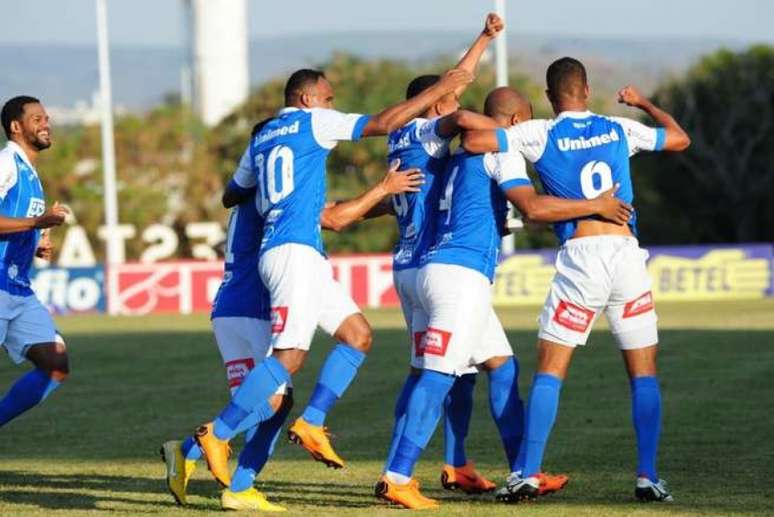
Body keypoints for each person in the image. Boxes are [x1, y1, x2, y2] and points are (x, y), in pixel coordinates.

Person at [190, 67, 471, 490]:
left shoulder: (260, 139)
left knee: (358, 334)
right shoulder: (314, 121)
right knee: (289, 359)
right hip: (292, 253)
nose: (332, 106)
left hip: (300, 253)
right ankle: (216, 434)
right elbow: (382, 123)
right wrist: (442, 89)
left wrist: (274, 189)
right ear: (307, 99)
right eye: (328, 98)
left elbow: (231, 194)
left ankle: (313, 422)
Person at [376, 86, 633, 510]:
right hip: (460, 276)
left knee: (501, 366)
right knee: (438, 374)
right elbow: (530, 206)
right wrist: (596, 206)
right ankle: (397, 475)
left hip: (437, 268)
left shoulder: (454, 158)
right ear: (514, 123)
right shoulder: (503, 151)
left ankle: (524, 472)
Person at [462, 57, 690, 503]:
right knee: (643, 372)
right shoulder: (619, 127)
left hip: (582, 256)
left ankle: (527, 472)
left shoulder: (539, 132)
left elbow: (476, 140)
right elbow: (680, 139)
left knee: (551, 369)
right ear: (586, 90)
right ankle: (647, 476)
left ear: (550, 97)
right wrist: (643, 102)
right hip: (627, 254)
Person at [161, 123, 422, 511]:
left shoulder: (255, 196)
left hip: (234, 308)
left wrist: (380, 200)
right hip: (249, 309)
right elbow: (332, 217)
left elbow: (330, 213)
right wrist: (382, 191)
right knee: (268, 402)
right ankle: (198, 450)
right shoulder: (273, 203)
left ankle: (231, 477)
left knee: (278, 401)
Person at [384, 12, 504, 496]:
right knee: (435, 374)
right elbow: (458, 104)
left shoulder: (397, 136)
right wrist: (508, 130)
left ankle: (454, 463)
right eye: (446, 100)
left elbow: (455, 84)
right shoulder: (425, 131)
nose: (456, 104)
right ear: (430, 105)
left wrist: (484, 39)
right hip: (437, 264)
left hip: (408, 263)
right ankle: (397, 475)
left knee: (437, 372)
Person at [0, 96, 70, 428]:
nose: (46, 123)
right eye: (37, 118)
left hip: (17, 288)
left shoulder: (30, 173)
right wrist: (35, 224)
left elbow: (13, 225)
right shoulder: (6, 163)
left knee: (55, 364)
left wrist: (35, 244)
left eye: (47, 117)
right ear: (16, 127)